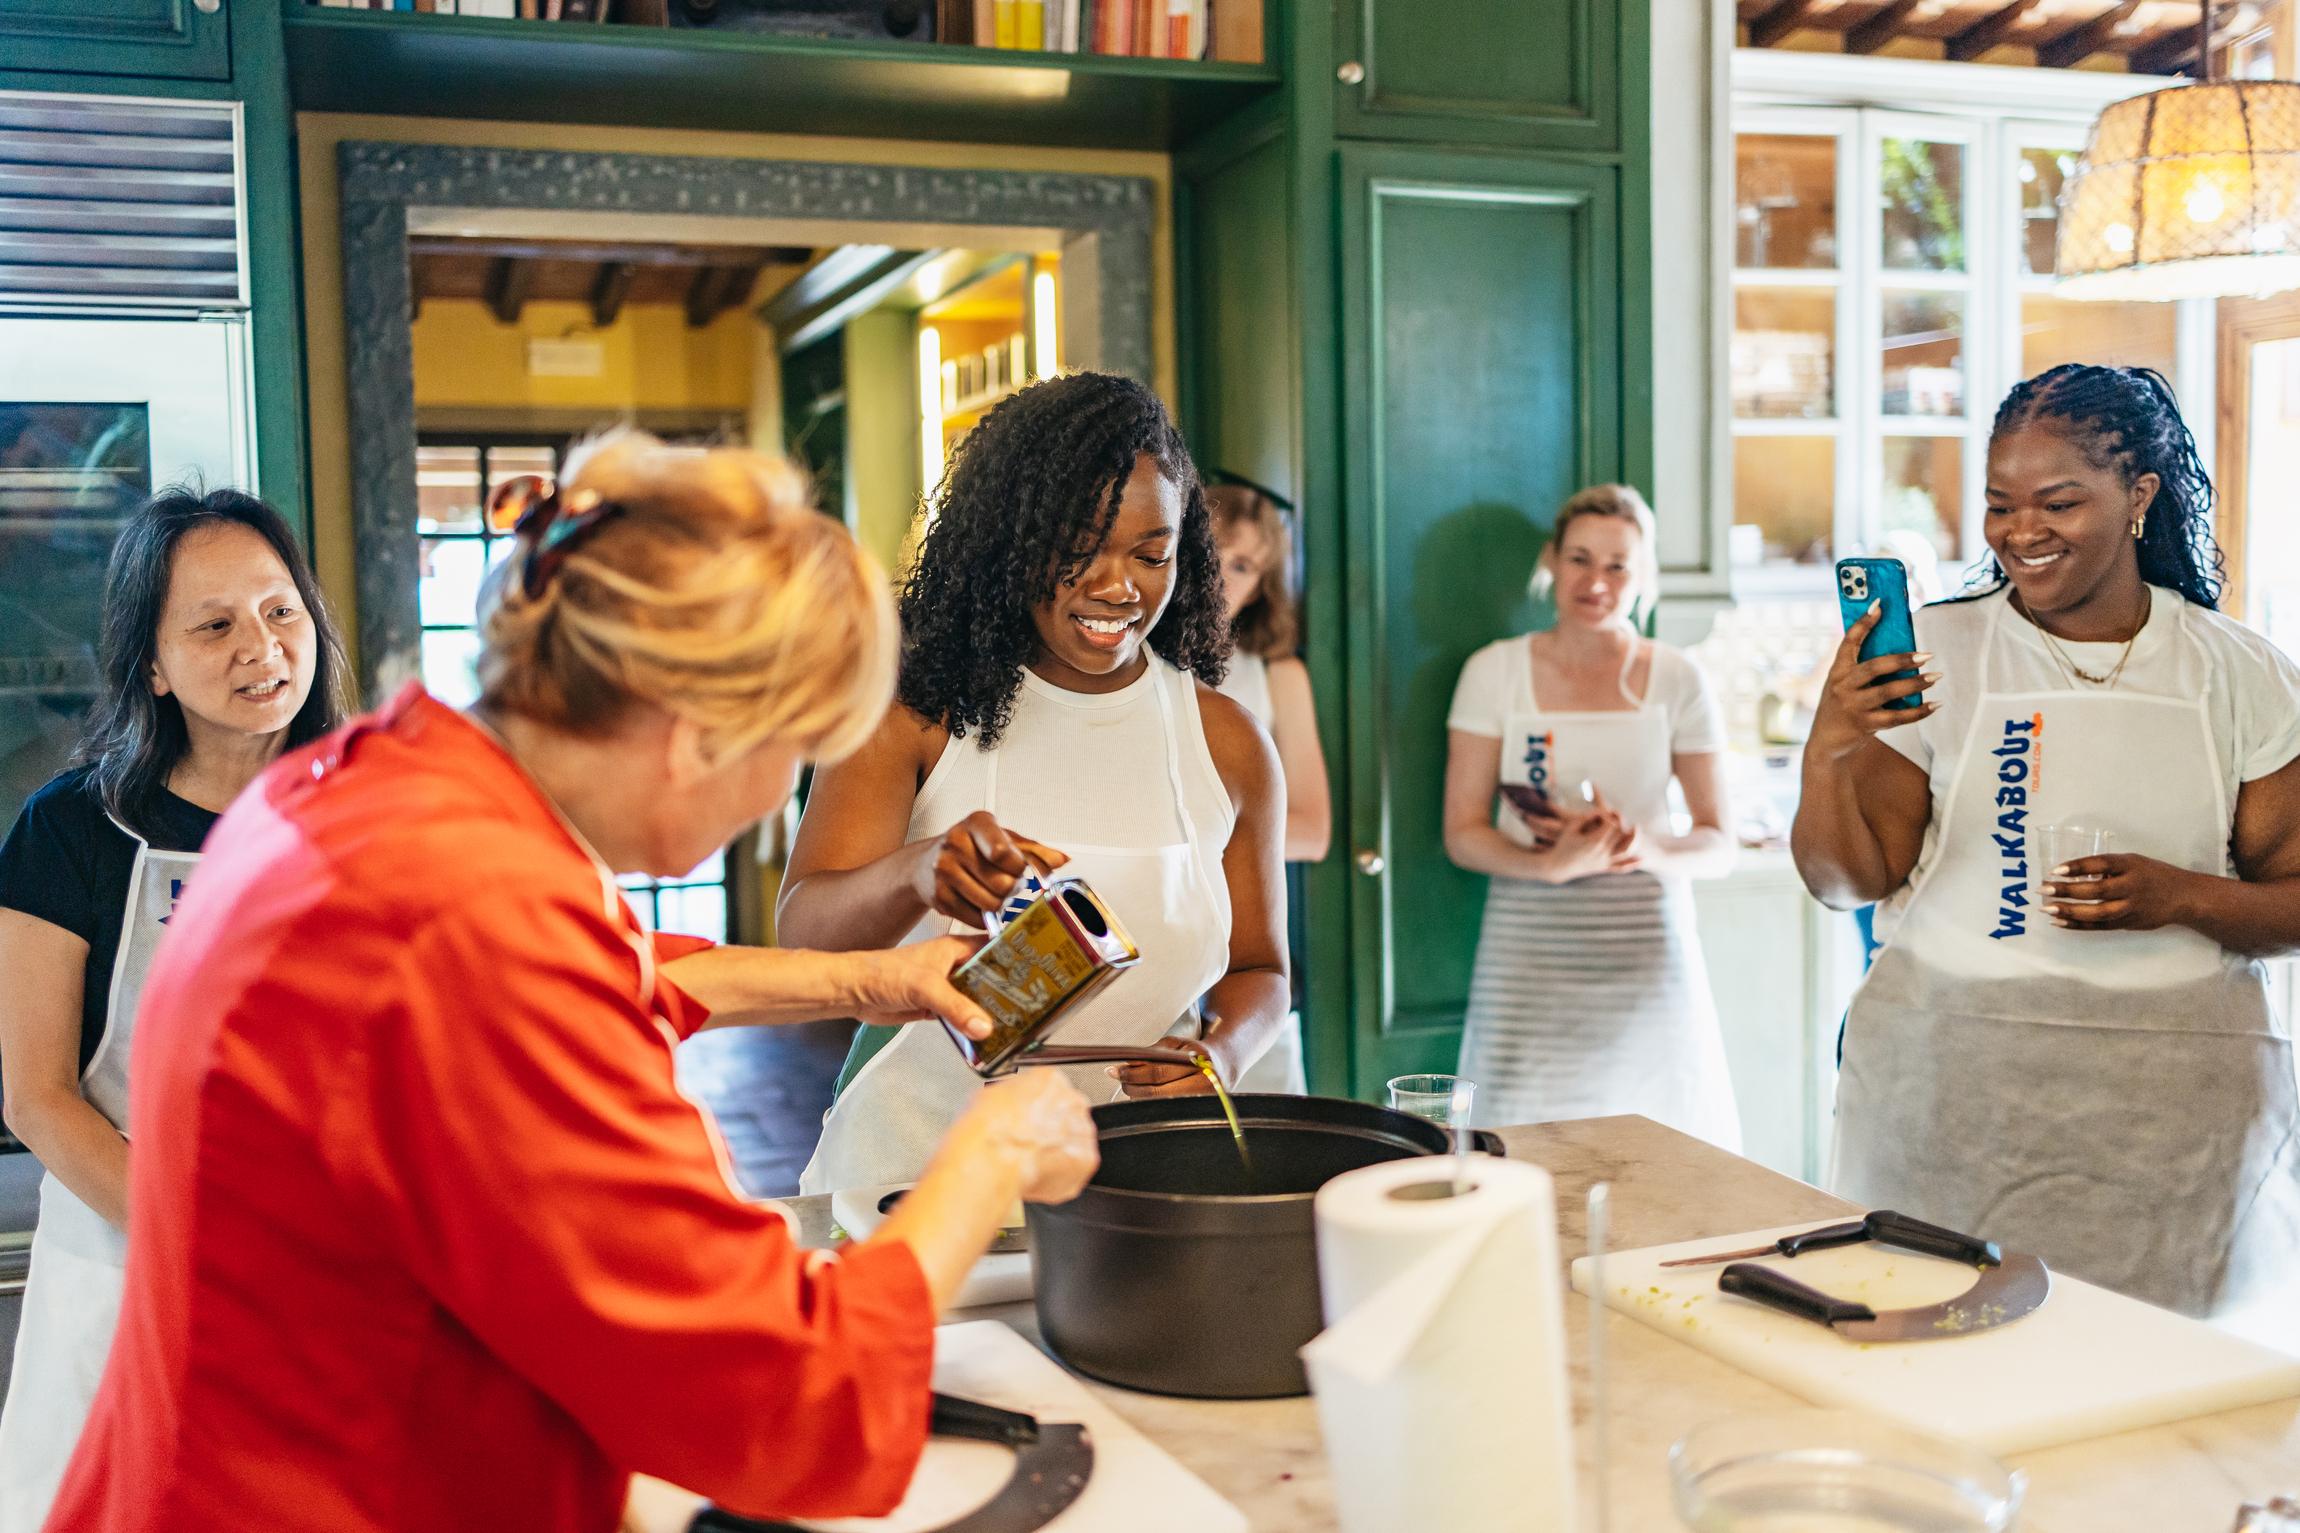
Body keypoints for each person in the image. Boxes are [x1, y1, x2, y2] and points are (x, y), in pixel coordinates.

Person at [45, 434, 1100, 1531]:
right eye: (785, 760)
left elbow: (604, 971)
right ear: (692, 738)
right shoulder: (470, 930)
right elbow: (784, 1391)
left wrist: (876, 979)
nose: (770, 806)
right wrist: (993, 1156)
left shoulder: (367, 780)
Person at [1796, 364, 2300, 1330]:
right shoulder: (1934, 656)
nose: (2022, 531)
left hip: (2172, 1119)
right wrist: (1833, 747)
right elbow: (1843, 879)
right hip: (1950, 1096)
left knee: (2153, 1387)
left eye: (2059, 502)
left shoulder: (2239, 673)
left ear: (2139, 496)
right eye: (1999, 505)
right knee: (1931, 1354)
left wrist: (2181, 896)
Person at [787, 371, 1289, 1196]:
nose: (1117, 586)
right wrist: (917, 870)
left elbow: (1261, 967)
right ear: (1007, 538)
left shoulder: (1227, 742)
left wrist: (1221, 1052)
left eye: (1150, 553)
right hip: (910, 1176)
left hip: (1132, 1185)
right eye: (1078, 549)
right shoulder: (912, 713)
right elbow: (805, 938)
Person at [0, 488, 351, 1529]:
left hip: (324, 1252)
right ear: (150, 665)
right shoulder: (71, 831)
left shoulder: (366, 809)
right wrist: (211, 1241)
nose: (262, 647)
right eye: (213, 624)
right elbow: (36, 1093)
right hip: (122, 1248)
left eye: (280, 611)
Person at [1442, 484, 1740, 1146]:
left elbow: (1720, 842)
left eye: (1617, 565)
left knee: (1660, 1155)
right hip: (1527, 951)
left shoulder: (1678, 677)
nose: (1596, 581)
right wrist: (1545, 866)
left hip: (1646, 956)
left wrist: (1641, 846)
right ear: (1551, 559)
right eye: (1580, 558)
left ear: (1644, 576)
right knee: (1519, 1153)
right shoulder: (1493, 671)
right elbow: (1463, 832)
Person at [1207, 473, 1331, 1094]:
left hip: (1248, 949)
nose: (1220, 579)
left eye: (1244, 566)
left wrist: (1196, 842)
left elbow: (1311, 830)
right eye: (1208, 553)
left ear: (1262, 587)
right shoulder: (1121, 661)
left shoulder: (1276, 675)